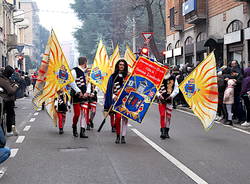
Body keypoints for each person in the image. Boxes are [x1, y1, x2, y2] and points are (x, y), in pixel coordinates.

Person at [104, 59, 129, 144]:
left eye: (123, 65)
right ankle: (118, 135)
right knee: (118, 118)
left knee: (125, 119)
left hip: (126, 101)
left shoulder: (128, 76)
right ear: (117, 66)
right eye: (120, 64)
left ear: (125, 66)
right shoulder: (113, 76)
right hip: (116, 101)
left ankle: (123, 136)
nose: (121, 66)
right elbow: (109, 90)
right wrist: (114, 96)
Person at [157, 69, 179, 139]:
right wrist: (158, 95)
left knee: (168, 116)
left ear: (169, 69)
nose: (165, 70)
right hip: (161, 99)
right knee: (162, 115)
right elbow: (155, 87)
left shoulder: (173, 77)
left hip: (169, 99)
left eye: (167, 69)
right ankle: (162, 131)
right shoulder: (159, 77)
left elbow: (176, 89)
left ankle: (167, 131)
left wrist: (172, 96)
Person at [70, 57, 89, 138]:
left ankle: (82, 131)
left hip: (85, 96)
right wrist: (78, 91)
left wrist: (87, 92)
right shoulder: (74, 71)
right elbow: (71, 82)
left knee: (84, 113)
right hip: (77, 95)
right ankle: (74, 126)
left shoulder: (87, 72)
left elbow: (89, 83)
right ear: (85, 62)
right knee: (77, 114)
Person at [0, 66, 19, 136]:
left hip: (3, 99)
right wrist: (15, 86)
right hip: (7, 99)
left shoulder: (4, 78)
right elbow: (11, 91)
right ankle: (10, 129)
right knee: (10, 114)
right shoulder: (4, 81)